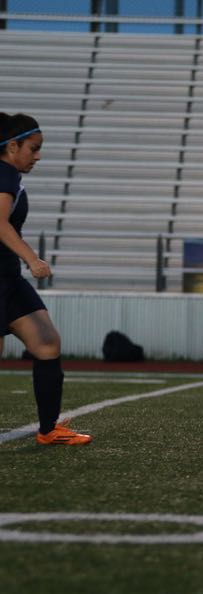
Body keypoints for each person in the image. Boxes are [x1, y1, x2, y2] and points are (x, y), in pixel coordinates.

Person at [0, 113, 91, 445]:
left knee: (47, 343)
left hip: (8, 280)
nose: (37, 156)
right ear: (12, 146)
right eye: (33, 149)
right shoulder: (4, 175)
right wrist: (32, 258)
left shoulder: (9, 175)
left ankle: (49, 430)